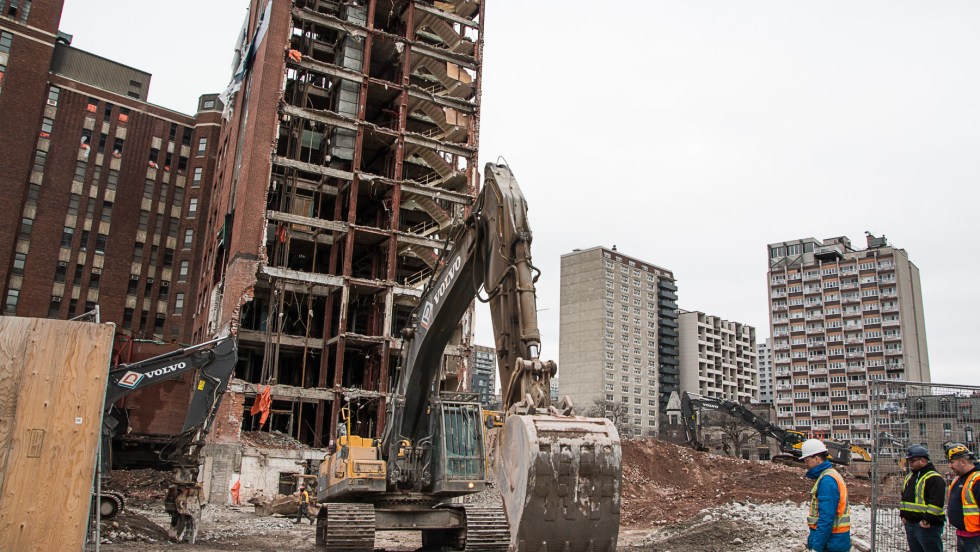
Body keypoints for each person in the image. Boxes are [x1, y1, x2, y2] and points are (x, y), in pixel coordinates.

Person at [800, 438, 852, 552]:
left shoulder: (827, 480)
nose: (805, 464)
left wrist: (816, 547)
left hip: (831, 543)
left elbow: (826, 518)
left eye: (807, 460)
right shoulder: (829, 476)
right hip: (835, 541)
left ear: (817, 459)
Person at [900, 444, 945, 552]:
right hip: (911, 524)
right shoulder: (909, 477)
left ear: (923, 460)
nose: (910, 463)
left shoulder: (933, 478)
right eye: (909, 460)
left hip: (927, 526)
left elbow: (936, 503)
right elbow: (904, 498)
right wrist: (903, 516)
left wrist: (926, 521)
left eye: (912, 460)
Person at [945, 442, 980, 552]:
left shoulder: (977, 480)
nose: (950, 466)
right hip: (964, 534)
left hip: (975, 536)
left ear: (963, 462)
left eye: (952, 462)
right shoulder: (958, 480)